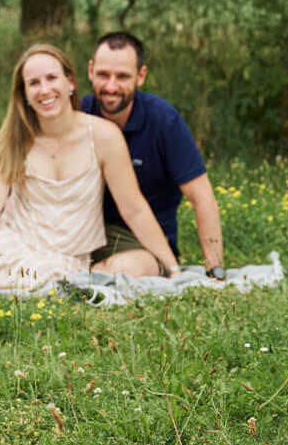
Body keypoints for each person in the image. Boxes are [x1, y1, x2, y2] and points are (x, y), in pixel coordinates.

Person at [0, 44, 179, 298]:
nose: (44, 90)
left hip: (66, 259)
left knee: (120, 269)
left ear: (70, 82)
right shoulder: (16, 141)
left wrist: (173, 268)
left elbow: (134, 209)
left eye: (51, 78)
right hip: (9, 245)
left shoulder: (104, 136)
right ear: (24, 94)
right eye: (33, 83)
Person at [81, 32, 224, 279]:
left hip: (144, 242)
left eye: (122, 76)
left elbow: (202, 198)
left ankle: (81, 278)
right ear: (90, 71)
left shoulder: (164, 122)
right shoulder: (77, 116)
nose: (111, 86)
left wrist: (215, 270)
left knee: (127, 270)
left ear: (141, 76)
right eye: (103, 74)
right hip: (84, 236)